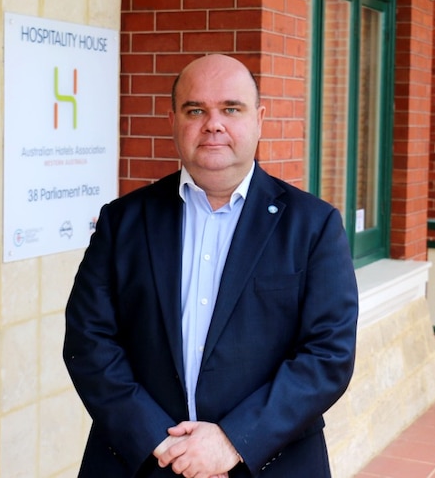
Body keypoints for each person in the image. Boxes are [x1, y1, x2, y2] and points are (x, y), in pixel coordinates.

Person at [63, 53, 359, 478]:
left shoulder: (313, 226)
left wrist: (232, 441)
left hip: (268, 462)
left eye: (231, 109)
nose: (213, 123)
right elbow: (88, 341)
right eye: (195, 109)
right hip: (140, 462)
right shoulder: (123, 221)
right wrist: (160, 443)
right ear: (173, 120)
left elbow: (328, 355)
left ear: (259, 119)